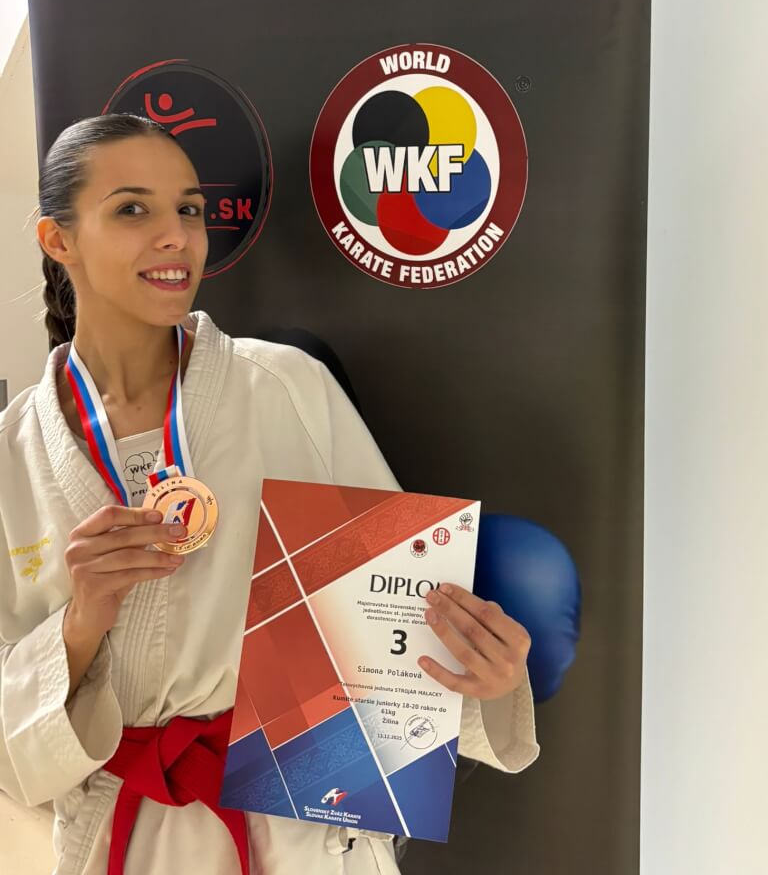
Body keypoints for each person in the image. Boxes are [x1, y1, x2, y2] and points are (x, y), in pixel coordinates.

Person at [0, 115, 539, 875]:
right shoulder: (12, 450)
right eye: (132, 209)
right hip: (123, 834)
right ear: (58, 239)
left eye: (188, 209)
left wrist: (483, 677)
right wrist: (82, 620)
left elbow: (394, 629)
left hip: (298, 828)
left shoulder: (286, 387)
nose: (176, 237)